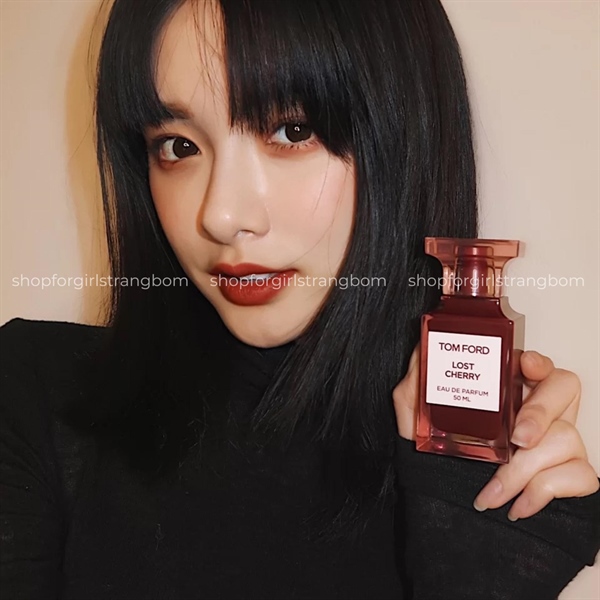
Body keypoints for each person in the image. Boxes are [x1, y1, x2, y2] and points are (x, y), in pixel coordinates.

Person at [1, 0, 598, 598]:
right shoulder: (34, 396)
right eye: (178, 147)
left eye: (292, 131)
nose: (221, 216)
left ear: (406, 139)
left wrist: (477, 568)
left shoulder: (452, 473)